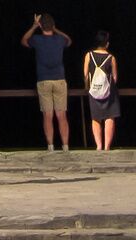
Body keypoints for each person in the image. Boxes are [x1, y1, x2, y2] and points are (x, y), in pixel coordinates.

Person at [23, 14, 76, 152]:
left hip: (44, 80)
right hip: (59, 80)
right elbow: (69, 40)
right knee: (61, 114)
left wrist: (34, 26)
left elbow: (24, 40)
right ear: (52, 25)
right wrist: (56, 29)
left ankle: (50, 146)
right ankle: (65, 146)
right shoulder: (59, 39)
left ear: (41, 25)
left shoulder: (37, 39)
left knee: (48, 115)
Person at [84, 37, 120, 152]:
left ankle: (98, 146)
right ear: (107, 44)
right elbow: (114, 77)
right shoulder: (111, 57)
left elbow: (85, 74)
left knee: (95, 117)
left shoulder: (89, 55)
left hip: (94, 90)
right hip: (109, 91)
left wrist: (87, 87)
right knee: (109, 116)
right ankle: (107, 147)